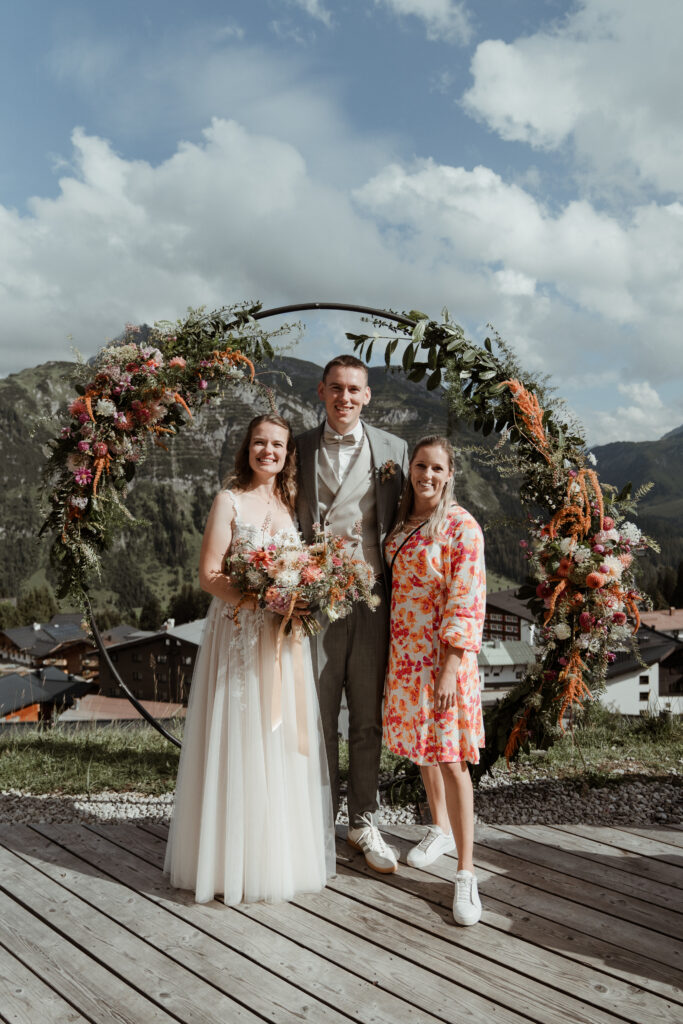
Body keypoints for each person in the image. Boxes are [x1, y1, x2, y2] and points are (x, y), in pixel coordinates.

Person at [164, 414, 335, 905]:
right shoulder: (229, 500)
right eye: (260, 442)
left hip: (282, 640)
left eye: (277, 445)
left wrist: (300, 598)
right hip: (239, 632)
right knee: (240, 735)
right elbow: (209, 575)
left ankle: (274, 857)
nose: (269, 452)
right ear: (247, 448)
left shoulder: (289, 505)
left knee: (277, 741)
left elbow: (301, 569)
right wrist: (264, 601)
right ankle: (227, 860)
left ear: (287, 454)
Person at [296, 355, 408, 873]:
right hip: (314, 604)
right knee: (317, 720)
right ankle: (315, 823)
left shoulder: (393, 450)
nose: (345, 397)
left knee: (367, 718)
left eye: (354, 389)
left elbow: (414, 512)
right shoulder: (296, 448)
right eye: (336, 388)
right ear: (321, 392)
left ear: (367, 395)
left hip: (372, 601)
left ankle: (364, 821)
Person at [383, 436, 486, 925]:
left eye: (436, 467)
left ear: (449, 474)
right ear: (411, 470)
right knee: (423, 750)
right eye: (420, 465)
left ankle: (466, 873)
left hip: (444, 660)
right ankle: (439, 828)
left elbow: (466, 601)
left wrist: (449, 667)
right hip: (405, 656)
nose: (426, 474)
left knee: (451, 758)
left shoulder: (462, 527)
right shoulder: (403, 524)